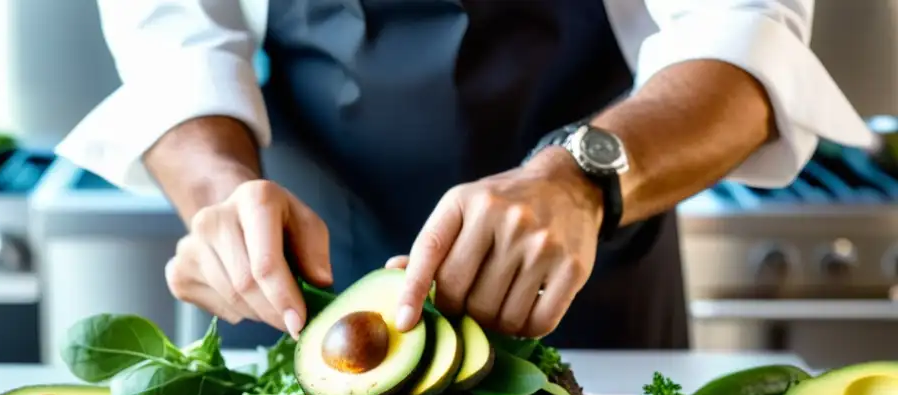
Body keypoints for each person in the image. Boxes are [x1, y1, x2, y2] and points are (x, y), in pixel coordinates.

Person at [58, 0, 873, 350]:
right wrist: (222, 197)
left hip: (591, 283)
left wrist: (578, 178)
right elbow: (176, 39)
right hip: (299, 291)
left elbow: (745, 36)